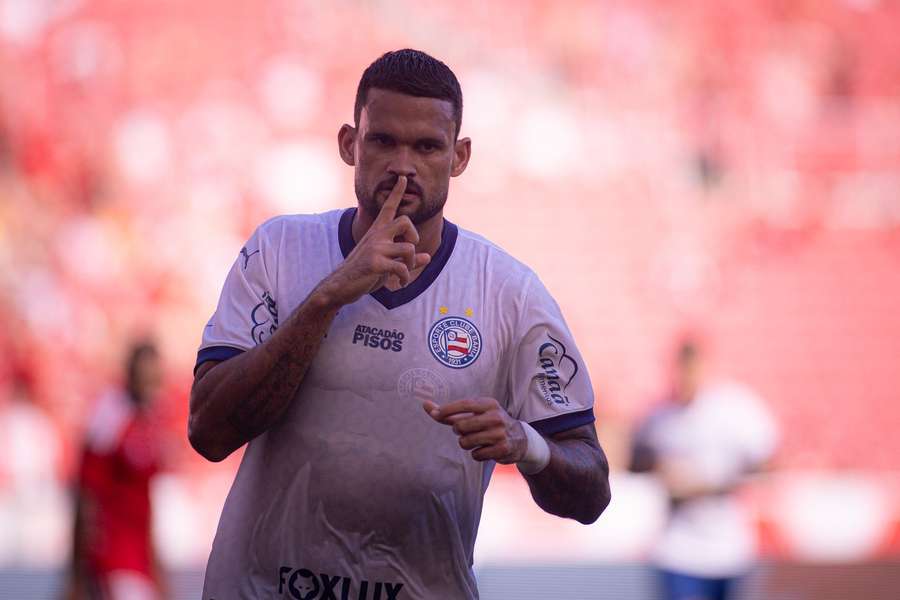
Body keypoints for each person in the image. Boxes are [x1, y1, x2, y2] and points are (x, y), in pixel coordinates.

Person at [189, 49, 611, 599]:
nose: (403, 165)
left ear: (459, 156)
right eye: (383, 140)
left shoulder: (511, 294)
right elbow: (208, 432)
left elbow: (592, 492)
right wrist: (328, 297)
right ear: (349, 143)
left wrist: (526, 444)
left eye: (427, 146)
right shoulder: (278, 251)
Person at [630, 338, 778, 600]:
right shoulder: (658, 416)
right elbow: (635, 461)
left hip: (729, 549)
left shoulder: (736, 409)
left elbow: (768, 463)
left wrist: (710, 483)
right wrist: (660, 471)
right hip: (678, 550)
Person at [66, 341, 165, 600]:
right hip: (113, 557)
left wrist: (158, 571)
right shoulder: (109, 417)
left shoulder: (148, 420)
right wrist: (77, 573)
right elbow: (86, 495)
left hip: (138, 559)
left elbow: (146, 505)